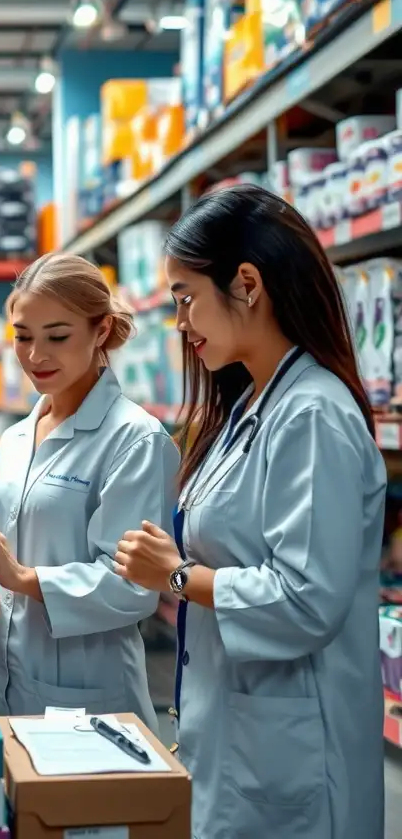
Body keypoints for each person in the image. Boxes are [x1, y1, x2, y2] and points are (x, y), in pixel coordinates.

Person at [114, 184, 385, 839]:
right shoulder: (247, 410)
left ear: (246, 283)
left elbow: (304, 600)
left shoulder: (313, 413)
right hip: (237, 740)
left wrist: (178, 577)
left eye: (185, 298)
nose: (179, 321)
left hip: (294, 762)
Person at [0, 253, 178, 729]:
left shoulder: (135, 439)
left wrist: (25, 580)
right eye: (23, 336)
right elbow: (2, 559)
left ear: (101, 331)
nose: (35, 355)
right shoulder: (14, 438)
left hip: (88, 694)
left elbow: (135, 586)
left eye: (57, 336)